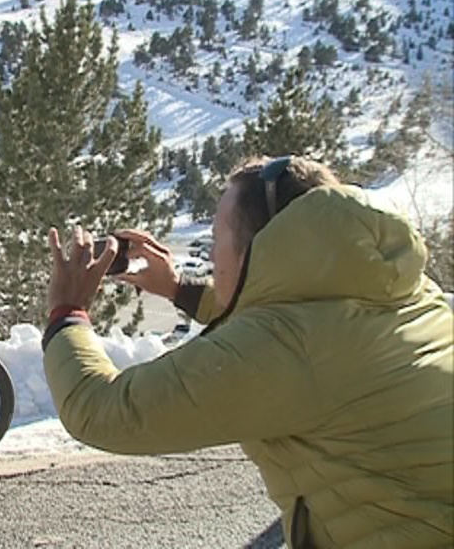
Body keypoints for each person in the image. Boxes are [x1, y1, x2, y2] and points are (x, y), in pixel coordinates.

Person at [42, 156, 453, 548]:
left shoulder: (285, 352)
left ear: (261, 249)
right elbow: (291, 310)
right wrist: (178, 288)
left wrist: (67, 312)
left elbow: (101, 412)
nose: (213, 252)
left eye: (218, 237)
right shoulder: (406, 293)